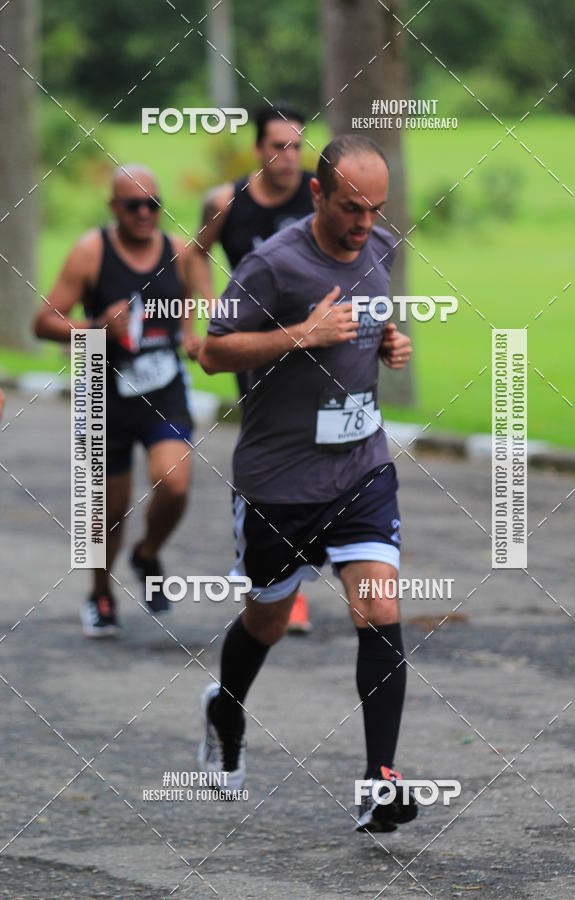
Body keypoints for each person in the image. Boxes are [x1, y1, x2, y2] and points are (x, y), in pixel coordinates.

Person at [197, 135, 417, 833]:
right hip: (279, 485)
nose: (365, 223)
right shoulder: (273, 264)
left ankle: (380, 780)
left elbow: (374, 316)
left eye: (376, 208)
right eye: (352, 207)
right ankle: (225, 709)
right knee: (267, 621)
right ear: (319, 194)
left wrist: (388, 341)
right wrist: (302, 333)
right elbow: (211, 351)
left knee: (379, 611)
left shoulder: (380, 246)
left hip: (361, 470)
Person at [34, 165, 201, 637]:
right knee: (109, 507)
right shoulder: (92, 251)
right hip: (102, 388)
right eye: (134, 205)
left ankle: (146, 554)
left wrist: (187, 336)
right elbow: (43, 321)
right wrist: (94, 330)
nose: (145, 213)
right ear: (114, 208)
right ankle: (101, 593)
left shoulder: (177, 251)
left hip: (163, 386)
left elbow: (186, 299)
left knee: (176, 484)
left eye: (154, 204)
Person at [193, 102, 316, 634]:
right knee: (270, 455)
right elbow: (195, 253)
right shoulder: (227, 202)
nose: (288, 158)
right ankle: (273, 576)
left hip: (315, 347)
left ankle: (297, 579)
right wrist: (209, 312)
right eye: (278, 147)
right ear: (257, 149)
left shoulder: (319, 194)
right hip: (252, 347)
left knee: (317, 454)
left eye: (297, 146)